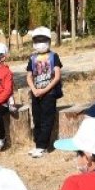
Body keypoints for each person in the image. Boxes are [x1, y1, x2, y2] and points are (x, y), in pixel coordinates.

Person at [25, 27, 63, 158]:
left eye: (43, 40)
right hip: (36, 93)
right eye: (37, 40)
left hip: (49, 93)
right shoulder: (32, 58)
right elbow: (29, 76)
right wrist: (34, 90)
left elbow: (57, 76)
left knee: (47, 119)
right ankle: (37, 144)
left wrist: (45, 90)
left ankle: (42, 146)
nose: (40, 43)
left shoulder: (54, 56)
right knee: (37, 119)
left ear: (49, 41)